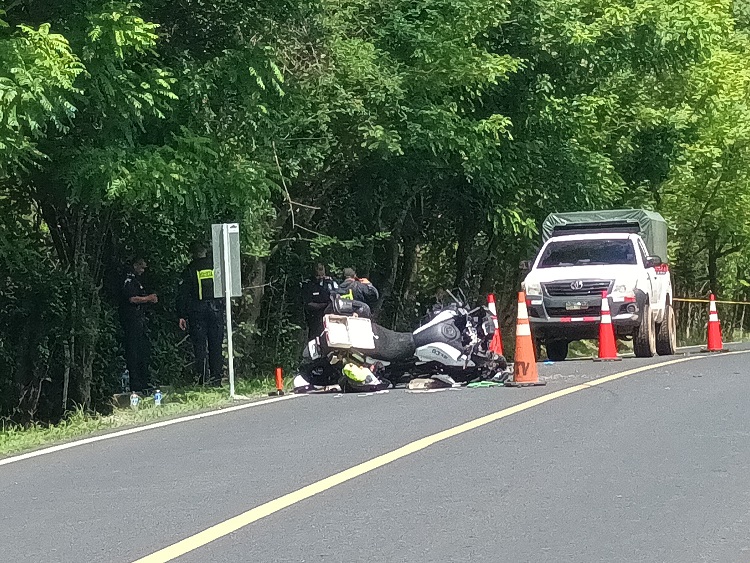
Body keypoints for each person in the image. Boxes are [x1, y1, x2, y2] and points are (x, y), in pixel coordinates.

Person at [177, 242, 224, 386]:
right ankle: (216, 379)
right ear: (205, 251)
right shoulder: (215, 266)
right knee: (216, 345)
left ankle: (202, 379)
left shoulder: (190, 269)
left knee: (200, 346)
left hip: (197, 310)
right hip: (215, 309)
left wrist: (181, 314)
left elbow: (183, 293)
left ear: (192, 253)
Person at [120, 257, 157, 393]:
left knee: (143, 351)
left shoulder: (137, 280)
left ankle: (144, 381)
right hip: (131, 320)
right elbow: (132, 298)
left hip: (140, 319)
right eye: (141, 267)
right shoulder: (129, 279)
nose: (143, 270)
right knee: (133, 351)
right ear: (135, 265)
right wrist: (148, 298)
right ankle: (135, 383)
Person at [302, 263, 338, 340]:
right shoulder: (309, 285)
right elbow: (308, 304)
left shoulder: (331, 283)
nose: (319, 272)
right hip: (315, 318)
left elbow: (338, 297)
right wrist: (325, 305)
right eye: (317, 269)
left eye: (321, 269)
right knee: (315, 340)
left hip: (332, 317)